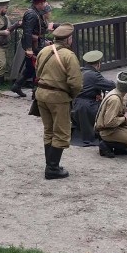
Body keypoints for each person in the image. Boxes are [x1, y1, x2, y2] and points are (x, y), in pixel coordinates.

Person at [35, 23, 83, 180]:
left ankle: (50, 164)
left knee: (49, 130)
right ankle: (52, 169)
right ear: (68, 39)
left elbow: (37, 71)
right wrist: (72, 96)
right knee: (62, 133)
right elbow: (75, 83)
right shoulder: (69, 56)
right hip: (58, 98)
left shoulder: (43, 51)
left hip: (41, 95)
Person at [95, 72, 127, 158]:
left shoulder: (118, 93)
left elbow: (121, 110)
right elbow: (109, 122)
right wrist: (125, 118)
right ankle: (107, 144)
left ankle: (120, 149)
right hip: (107, 130)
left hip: (112, 127)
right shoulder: (115, 99)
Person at [71, 50, 116, 146]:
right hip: (87, 106)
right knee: (109, 108)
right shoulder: (94, 75)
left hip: (75, 104)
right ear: (98, 64)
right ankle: (107, 133)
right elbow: (111, 85)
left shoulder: (81, 71)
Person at [10, 0, 48, 97]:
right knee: (38, 67)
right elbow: (27, 32)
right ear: (39, 3)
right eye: (44, 2)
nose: (45, 4)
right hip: (33, 45)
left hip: (36, 43)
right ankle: (35, 92)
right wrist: (29, 48)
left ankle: (17, 86)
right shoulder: (32, 14)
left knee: (31, 68)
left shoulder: (36, 12)